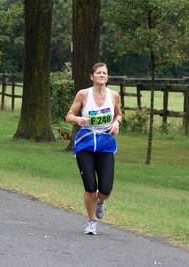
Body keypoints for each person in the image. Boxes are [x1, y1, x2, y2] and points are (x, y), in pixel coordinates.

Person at [66, 63, 122, 235]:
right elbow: (68, 116)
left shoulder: (114, 95)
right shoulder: (83, 94)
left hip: (105, 145)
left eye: (105, 73)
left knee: (105, 189)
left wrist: (116, 123)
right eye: (98, 73)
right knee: (90, 187)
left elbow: (118, 114)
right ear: (92, 76)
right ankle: (91, 222)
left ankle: (100, 202)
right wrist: (77, 119)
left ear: (108, 77)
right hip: (86, 144)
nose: (102, 75)